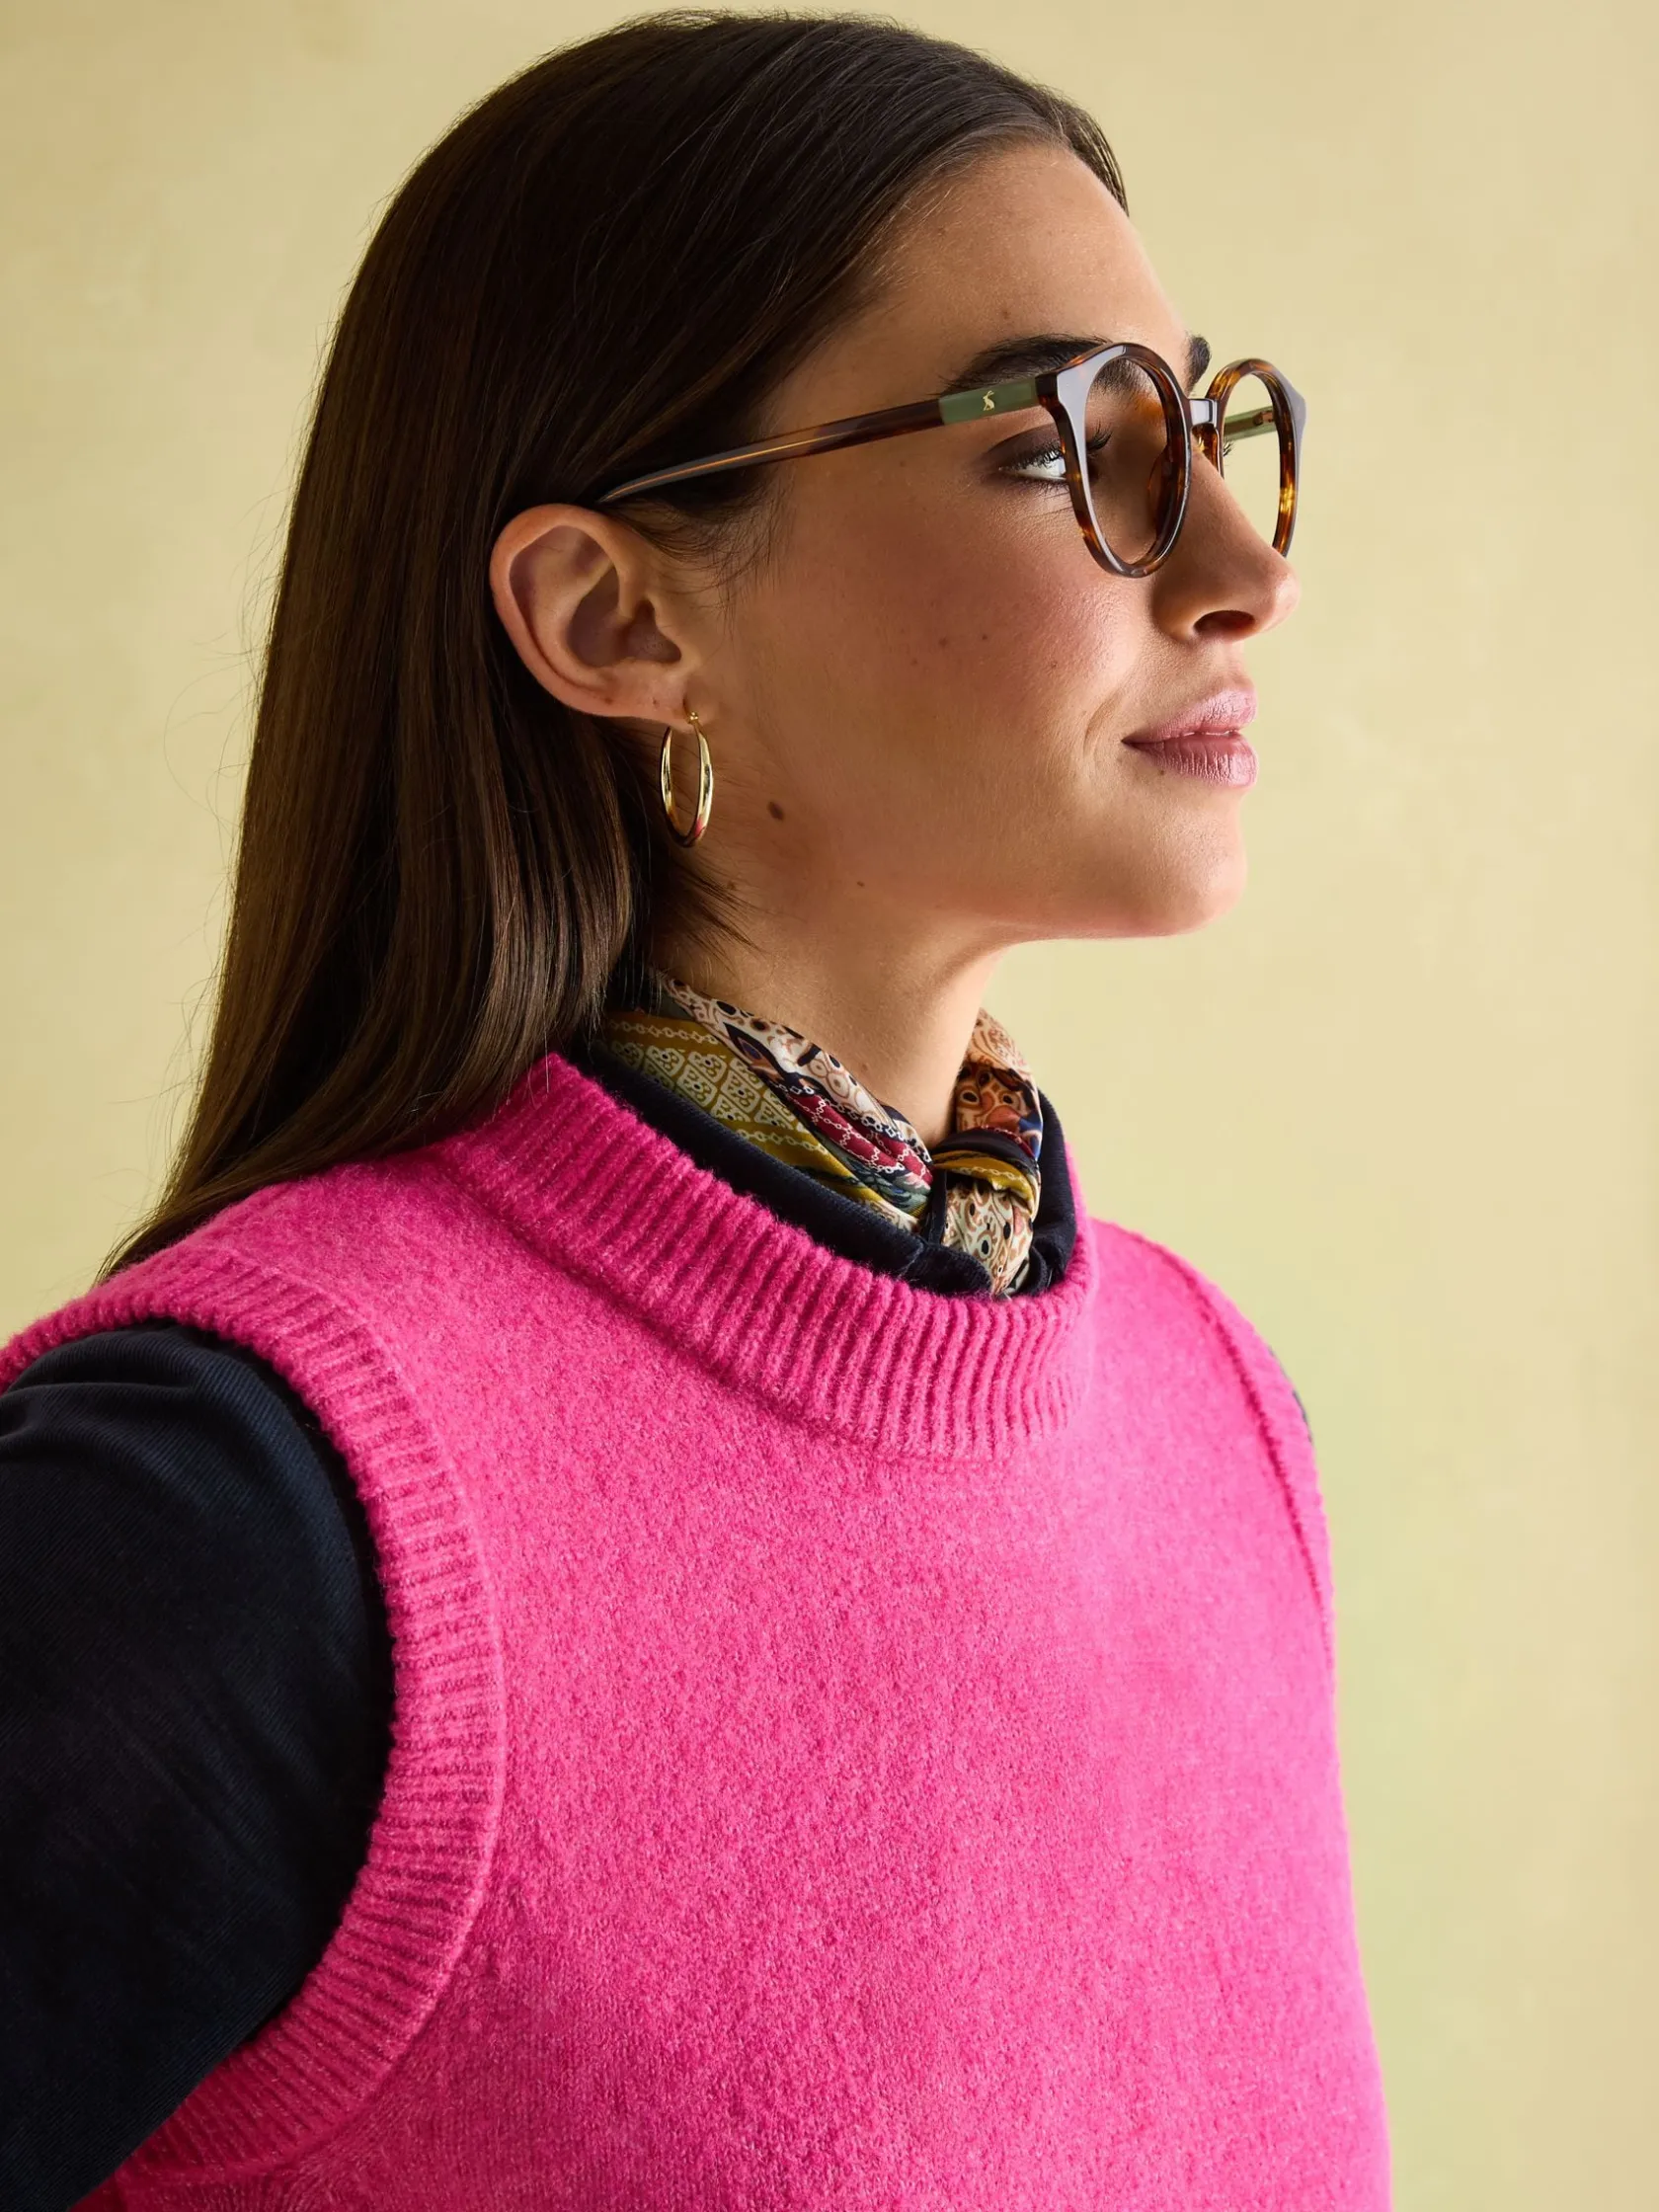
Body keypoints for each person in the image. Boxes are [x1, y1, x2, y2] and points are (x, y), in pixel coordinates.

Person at [0, 13, 1388, 2207]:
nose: (1241, 564)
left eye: (1203, 424)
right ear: (616, 616)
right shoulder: (232, 1521)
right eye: (1074, 443)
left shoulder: (1220, 1419)